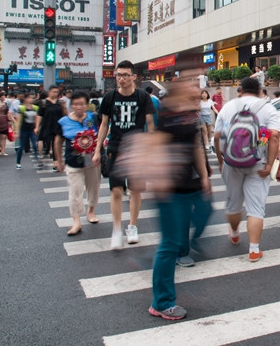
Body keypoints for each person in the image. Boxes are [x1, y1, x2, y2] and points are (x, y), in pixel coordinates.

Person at [148, 76, 211, 320]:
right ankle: (162, 302)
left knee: (204, 213)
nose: (197, 91)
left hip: (188, 183)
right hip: (169, 187)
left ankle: (185, 247)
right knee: (170, 244)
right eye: (191, 86)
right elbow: (154, 145)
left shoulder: (190, 113)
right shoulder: (164, 113)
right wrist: (159, 180)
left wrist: (204, 176)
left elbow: (195, 145)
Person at [214, 77, 280, 262]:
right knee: (256, 208)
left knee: (233, 203)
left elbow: (217, 136)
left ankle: (235, 232)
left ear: (240, 90)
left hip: (231, 162)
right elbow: (274, 137)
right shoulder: (268, 108)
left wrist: (221, 161)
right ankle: (254, 250)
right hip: (258, 163)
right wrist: (269, 165)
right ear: (259, 92)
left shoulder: (228, 107)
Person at [92, 60, 155, 250]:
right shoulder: (110, 97)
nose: (122, 79)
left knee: (135, 190)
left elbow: (150, 124)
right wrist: (97, 149)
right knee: (116, 190)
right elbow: (104, 124)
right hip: (115, 148)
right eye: (119, 75)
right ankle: (117, 229)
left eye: (126, 75)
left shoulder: (143, 97)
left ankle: (132, 226)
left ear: (134, 76)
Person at [54, 91, 101, 236]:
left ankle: (91, 211)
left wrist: (99, 151)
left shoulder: (94, 118)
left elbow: (102, 133)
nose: (78, 107)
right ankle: (76, 221)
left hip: (92, 160)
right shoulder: (63, 121)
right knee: (75, 191)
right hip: (73, 161)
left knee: (93, 187)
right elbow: (58, 141)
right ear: (71, 105)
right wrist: (58, 160)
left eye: (81, 104)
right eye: (75, 104)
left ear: (87, 105)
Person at [36, 85, 65, 171]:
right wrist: (37, 126)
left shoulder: (59, 102)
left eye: (57, 92)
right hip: (47, 125)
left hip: (58, 126)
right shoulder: (44, 103)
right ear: (49, 92)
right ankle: (41, 156)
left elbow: (64, 114)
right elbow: (39, 115)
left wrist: (64, 107)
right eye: (53, 92)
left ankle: (56, 163)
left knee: (56, 143)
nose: (55, 94)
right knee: (45, 141)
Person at [14, 93, 40, 170]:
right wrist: (17, 132)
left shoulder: (35, 108)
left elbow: (37, 118)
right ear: (25, 99)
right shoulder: (21, 108)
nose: (31, 99)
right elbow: (19, 121)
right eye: (30, 98)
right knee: (21, 147)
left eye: (33, 98)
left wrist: (37, 127)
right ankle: (18, 162)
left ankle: (38, 161)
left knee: (35, 145)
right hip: (24, 129)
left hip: (32, 129)